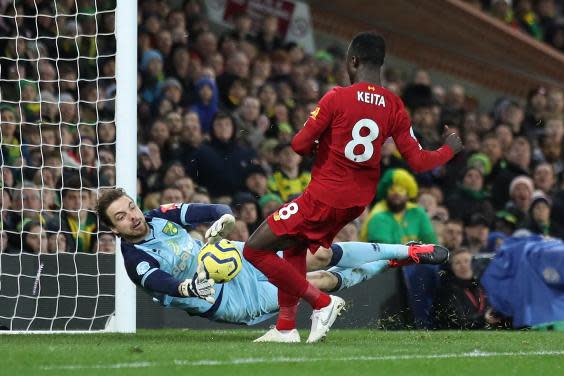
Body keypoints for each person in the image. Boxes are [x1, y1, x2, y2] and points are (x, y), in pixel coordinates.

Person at [242, 31, 463, 343]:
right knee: (294, 245)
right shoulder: (395, 106)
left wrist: (317, 143)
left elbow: (298, 143)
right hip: (356, 202)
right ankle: (286, 327)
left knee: (255, 248)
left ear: (353, 61)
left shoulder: (336, 97)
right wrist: (449, 150)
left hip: (325, 195)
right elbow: (419, 161)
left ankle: (322, 301)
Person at [96, 188, 448, 338]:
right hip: (228, 300)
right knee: (322, 281)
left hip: (237, 258)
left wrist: (223, 222)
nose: (132, 217)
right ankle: (385, 265)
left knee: (320, 254)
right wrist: (187, 286)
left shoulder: (161, 216)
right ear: (113, 229)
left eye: (131, 207)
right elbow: (159, 282)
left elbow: (216, 210)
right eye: (121, 217)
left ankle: (407, 252)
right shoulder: (134, 260)